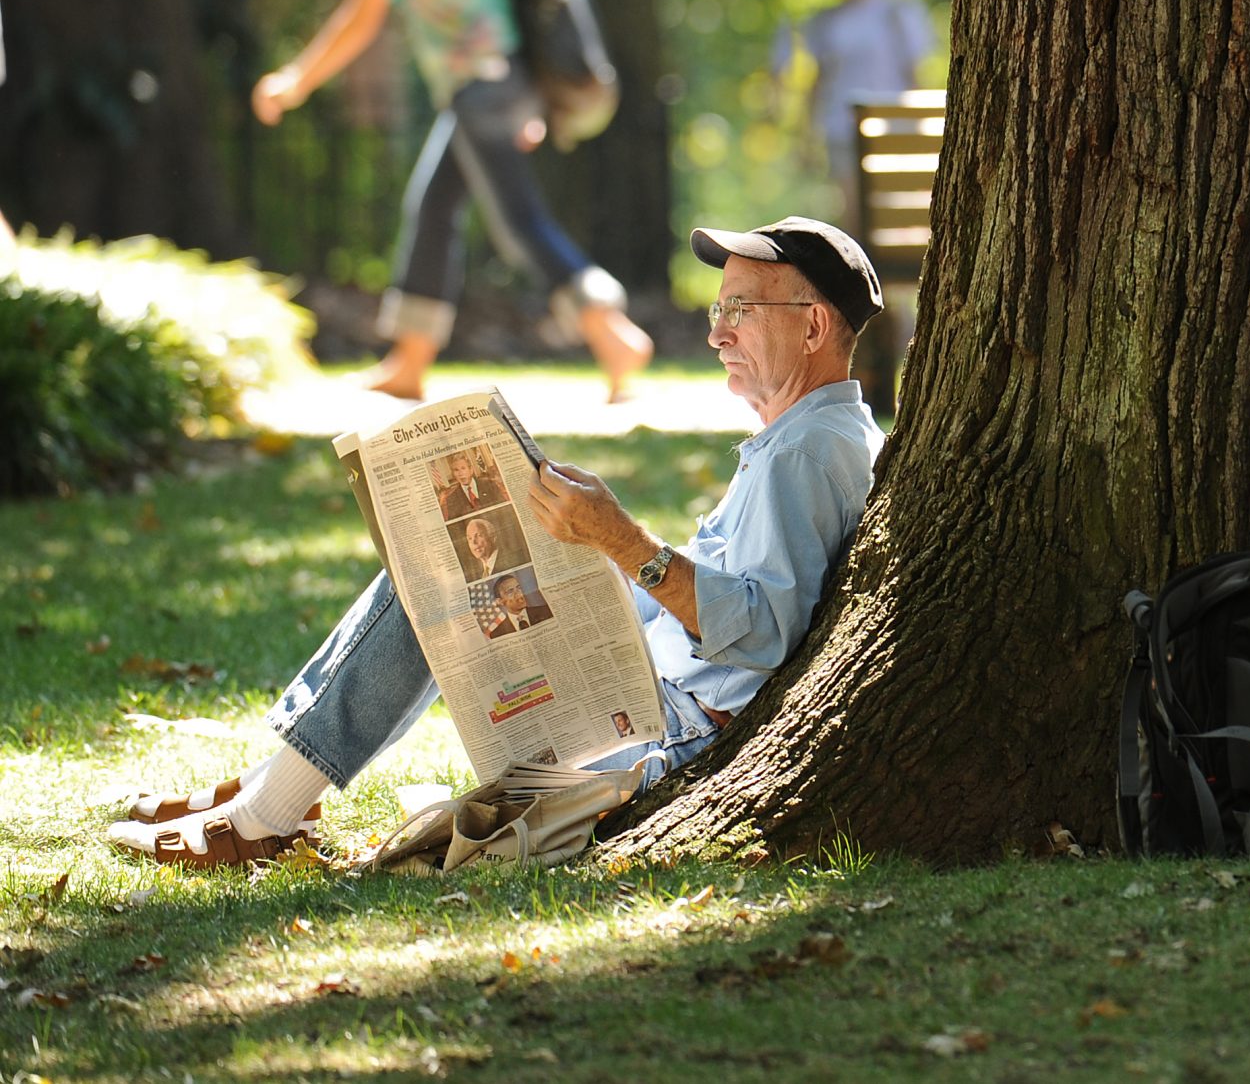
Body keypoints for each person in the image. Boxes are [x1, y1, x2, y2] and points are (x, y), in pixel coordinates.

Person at [106, 215, 886, 867]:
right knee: (457, 558)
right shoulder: (806, 436)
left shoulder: (810, 452)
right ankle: (270, 793)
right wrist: (578, 564)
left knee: (440, 574)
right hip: (651, 694)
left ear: (813, 325)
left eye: (738, 312)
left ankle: (266, 813)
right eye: (717, 313)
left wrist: (622, 543)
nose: (718, 335)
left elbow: (763, 630)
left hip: (667, 730)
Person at [250, 0, 654, 402]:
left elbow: (363, 16)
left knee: (519, 223)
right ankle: (409, 361)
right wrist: (538, 97)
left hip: (478, 93)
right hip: (511, 82)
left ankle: (611, 329)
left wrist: (295, 79)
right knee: (435, 207)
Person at [769, 0, 934, 182]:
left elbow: (914, 73)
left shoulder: (898, 11)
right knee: (852, 204)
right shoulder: (831, 21)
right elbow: (820, 78)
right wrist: (806, 134)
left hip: (891, 124)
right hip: (842, 124)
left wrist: (923, 129)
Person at [456, 514, 529, 583]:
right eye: (469, 538)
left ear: (493, 537)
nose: (473, 542)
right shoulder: (475, 574)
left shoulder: (514, 559)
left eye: (479, 535)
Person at [484, 574, 553, 636]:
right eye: (510, 591)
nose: (519, 594)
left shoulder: (547, 611)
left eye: (519, 588)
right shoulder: (497, 634)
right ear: (500, 601)